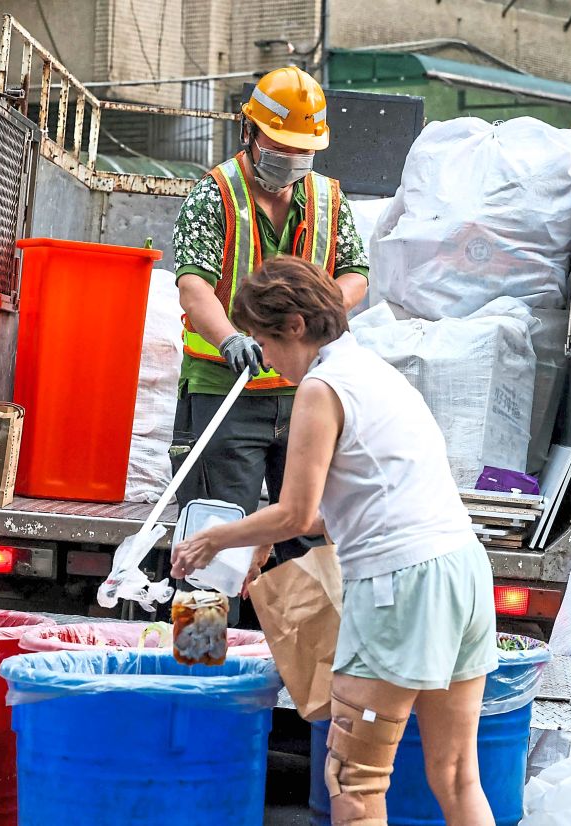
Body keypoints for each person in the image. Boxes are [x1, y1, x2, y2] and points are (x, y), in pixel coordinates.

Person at [171, 256, 497, 826]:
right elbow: (346, 500)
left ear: (294, 327)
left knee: (355, 783)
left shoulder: (321, 389)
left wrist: (215, 539)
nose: (265, 360)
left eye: (263, 342)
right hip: (463, 573)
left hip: (402, 585)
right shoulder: (375, 373)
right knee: (456, 775)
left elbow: (296, 512)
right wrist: (260, 541)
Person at [170, 66, 369, 579]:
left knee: (309, 552)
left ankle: (300, 658)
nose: (290, 158)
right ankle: (202, 657)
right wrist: (232, 337)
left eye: (302, 149)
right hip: (227, 392)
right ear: (249, 132)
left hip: (307, 395)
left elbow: (355, 277)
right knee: (217, 546)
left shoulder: (328, 200)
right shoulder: (213, 195)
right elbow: (193, 284)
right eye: (279, 144)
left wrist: (321, 319)